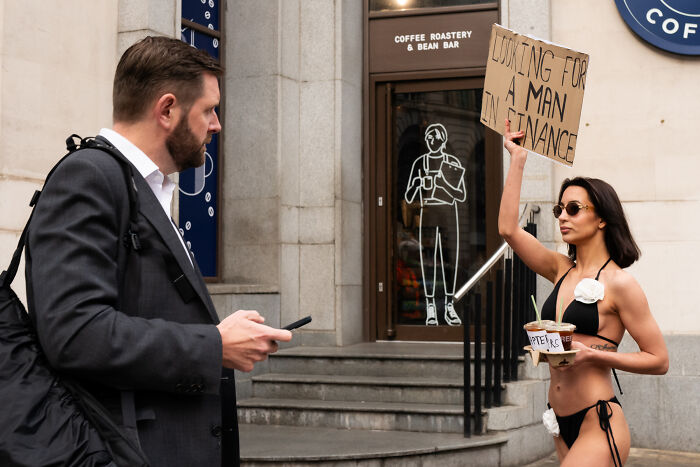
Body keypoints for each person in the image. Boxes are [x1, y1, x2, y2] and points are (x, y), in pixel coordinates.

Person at [25, 36, 292, 467]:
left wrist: (219, 335)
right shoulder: (88, 177)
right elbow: (74, 332)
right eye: (208, 110)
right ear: (167, 110)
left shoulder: (143, 187)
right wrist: (213, 345)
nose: (217, 124)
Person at [498, 119, 668, 466]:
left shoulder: (620, 284)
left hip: (597, 420)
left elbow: (659, 359)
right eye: (559, 209)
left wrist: (595, 356)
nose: (563, 216)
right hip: (560, 422)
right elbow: (508, 230)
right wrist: (517, 158)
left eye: (574, 209)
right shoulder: (561, 268)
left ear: (602, 218)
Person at [404, 123, 466, 326]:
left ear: (443, 140)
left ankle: (449, 305)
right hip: (427, 213)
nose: (432, 142)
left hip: (448, 213)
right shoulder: (420, 163)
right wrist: (417, 185)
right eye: (429, 138)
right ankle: (430, 305)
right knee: (428, 261)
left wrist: (442, 183)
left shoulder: (452, 163)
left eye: (436, 138)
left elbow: (461, 194)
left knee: (449, 260)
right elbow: (408, 196)